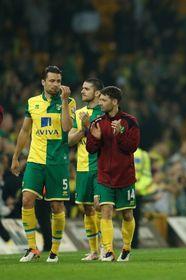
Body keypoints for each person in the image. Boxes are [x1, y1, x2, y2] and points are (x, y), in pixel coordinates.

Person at [11, 66, 76, 262]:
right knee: (27, 199)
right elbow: (24, 131)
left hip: (58, 161)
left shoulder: (69, 102)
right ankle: (32, 248)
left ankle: (54, 251)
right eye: (52, 81)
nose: (56, 84)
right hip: (35, 159)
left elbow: (67, 127)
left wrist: (64, 102)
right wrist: (16, 157)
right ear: (43, 82)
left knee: (56, 206)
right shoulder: (32, 102)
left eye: (58, 81)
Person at [86, 86, 140, 262]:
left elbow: (131, 148)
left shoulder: (130, 122)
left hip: (125, 176)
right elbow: (91, 149)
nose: (100, 103)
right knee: (106, 211)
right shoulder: (98, 122)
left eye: (103, 100)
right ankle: (108, 250)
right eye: (99, 100)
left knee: (127, 215)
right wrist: (94, 137)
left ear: (114, 101)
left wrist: (120, 133)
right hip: (105, 176)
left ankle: (126, 247)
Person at [68, 78, 104, 260]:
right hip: (82, 167)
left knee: (100, 206)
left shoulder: (104, 113)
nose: (82, 91)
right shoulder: (79, 112)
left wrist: (89, 126)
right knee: (87, 208)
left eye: (86, 89)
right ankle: (94, 251)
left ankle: (106, 247)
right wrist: (83, 129)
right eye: (82, 88)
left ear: (97, 93)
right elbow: (70, 140)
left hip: (100, 166)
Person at [132, 147, 153, 249]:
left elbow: (147, 175)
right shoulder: (117, 150)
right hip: (119, 189)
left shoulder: (143, 155)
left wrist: (137, 188)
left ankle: (133, 245)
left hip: (136, 193)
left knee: (134, 218)